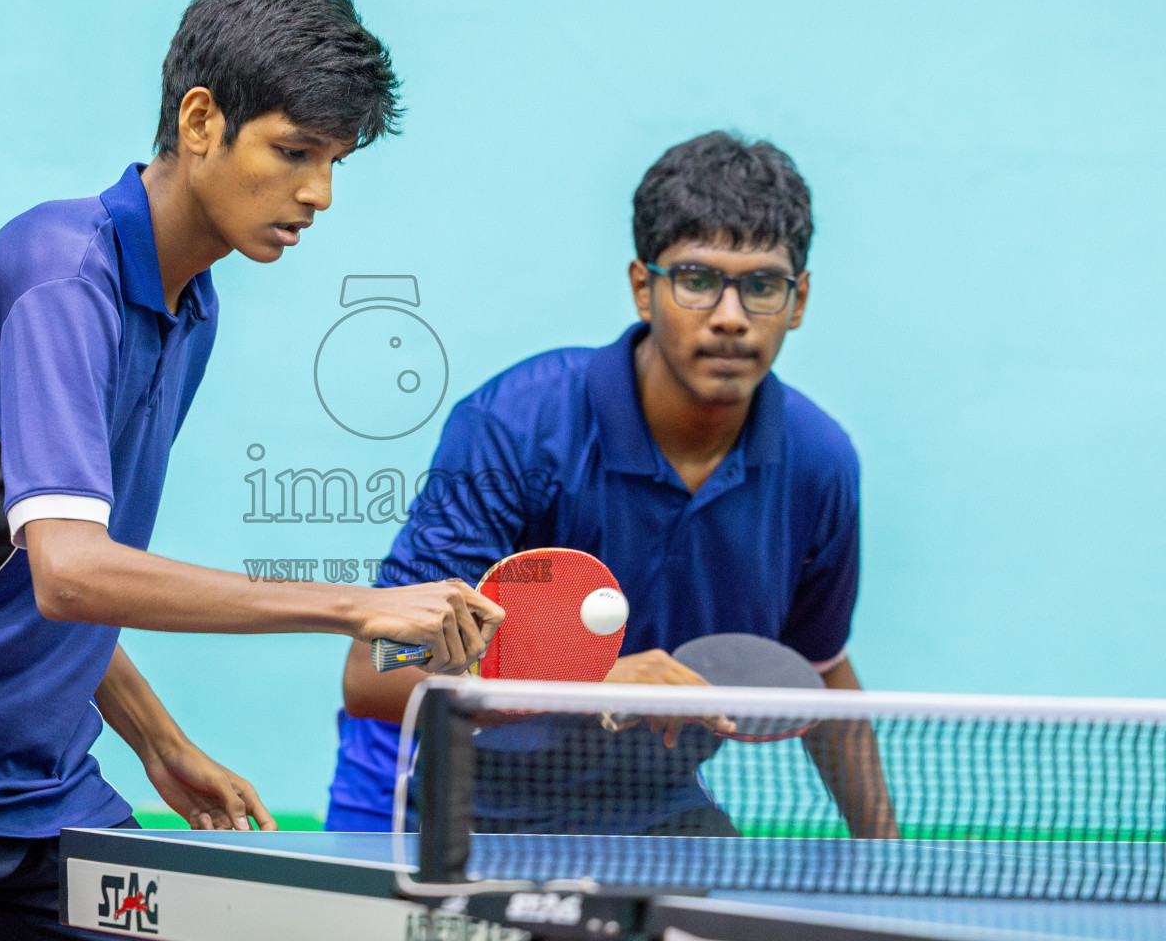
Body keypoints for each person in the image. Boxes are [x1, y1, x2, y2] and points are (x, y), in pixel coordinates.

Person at [0, 0, 503, 940]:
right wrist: (352, 605)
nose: (320, 193)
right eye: (294, 152)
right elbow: (72, 574)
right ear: (200, 120)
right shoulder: (60, 277)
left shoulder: (187, 308)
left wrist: (161, 744)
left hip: (42, 779)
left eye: (334, 161)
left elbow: (40, 566)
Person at [327, 131, 897, 838]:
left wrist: (888, 864)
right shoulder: (515, 427)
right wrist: (590, 682)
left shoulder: (818, 464)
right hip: (433, 801)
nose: (730, 316)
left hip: (641, 804)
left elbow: (822, 671)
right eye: (696, 279)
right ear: (643, 288)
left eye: (761, 285)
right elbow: (374, 669)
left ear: (798, 298)